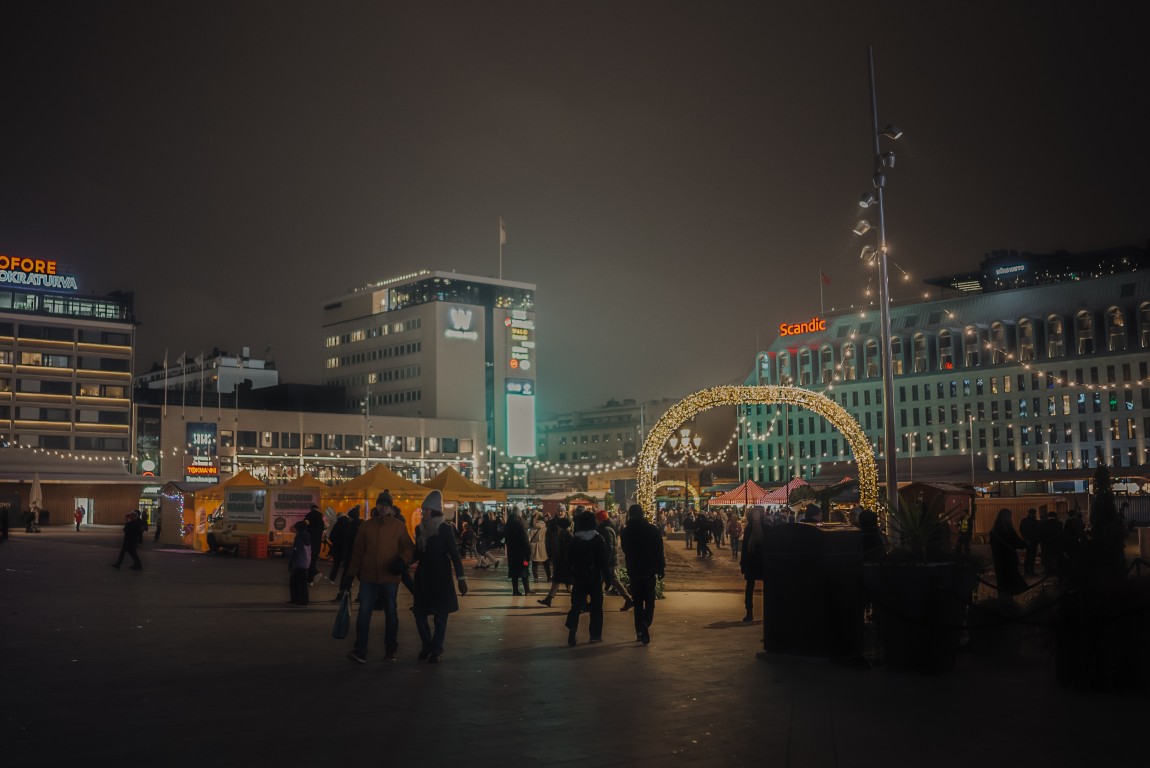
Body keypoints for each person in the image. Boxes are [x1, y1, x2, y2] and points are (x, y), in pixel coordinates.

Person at [345, 491, 415, 664]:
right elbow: (358, 552)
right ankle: (360, 650)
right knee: (364, 613)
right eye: (381, 504)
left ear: (391, 508)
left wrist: (402, 560)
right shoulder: (366, 526)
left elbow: (408, 547)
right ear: (377, 505)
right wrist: (350, 575)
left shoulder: (398, 526)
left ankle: (391, 648)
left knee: (391, 613)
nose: (383, 507)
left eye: (387, 504)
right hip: (369, 576)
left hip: (389, 578)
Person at [411, 490, 468, 663]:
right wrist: (404, 561)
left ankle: (436, 648)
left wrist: (461, 579)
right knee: (419, 614)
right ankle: (427, 645)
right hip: (423, 577)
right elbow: (417, 553)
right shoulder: (419, 529)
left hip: (441, 576)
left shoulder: (444, 529)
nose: (423, 513)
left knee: (440, 615)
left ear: (435, 510)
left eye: (426, 510)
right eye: (423, 510)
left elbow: (454, 554)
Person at [564, 509, 611, 646]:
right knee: (596, 607)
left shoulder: (575, 540)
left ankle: (572, 627)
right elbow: (603, 561)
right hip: (595, 578)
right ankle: (595, 635)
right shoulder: (598, 539)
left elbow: (569, 560)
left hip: (579, 578)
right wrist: (607, 578)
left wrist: (570, 576)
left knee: (576, 605)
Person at [620, 503, 665, 645]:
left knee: (638, 603)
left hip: (634, 571)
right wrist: (661, 568)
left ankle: (639, 632)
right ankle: (646, 622)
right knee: (650, 601)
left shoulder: (626, 531)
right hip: (649, 570)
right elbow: (659, 550)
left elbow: (625, 549)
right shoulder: (652, 529)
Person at [594, 508, 633, 610]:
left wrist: (605, 563)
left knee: (605, 582)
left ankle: (594, 603)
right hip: (609, 561)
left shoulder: (606, 530)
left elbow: (609, 547)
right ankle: (628, 600)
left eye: (597, 519)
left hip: (609, 562)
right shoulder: (607, 528)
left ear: (601, 520)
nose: (596, 521)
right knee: (612, 581)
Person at [989, 508, 1028, 596]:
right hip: (1010, 559)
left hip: (999, 561)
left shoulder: (993, 531)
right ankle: (1009, 603)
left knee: (1002, 581)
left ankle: (1002, 601)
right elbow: (1017, 543)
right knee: (1012, 581)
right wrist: (1026, 543)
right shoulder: (1008, 530)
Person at [537, 513, 573, 607]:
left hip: (563, 564)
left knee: (568, 582)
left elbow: (566, 552)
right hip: (560, 562)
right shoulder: (563, 534)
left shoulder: (566, 536)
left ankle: (582, 602)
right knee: (557, 581)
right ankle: (548, 599)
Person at [740, 506, 766, 621]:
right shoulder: (748, 528)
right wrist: (743, 562)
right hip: (751, 560)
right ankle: (749, 611)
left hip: (762, 561)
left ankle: (767, 612)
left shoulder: (766, 527)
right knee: (749, 587)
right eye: (754, 514)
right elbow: (745, 546)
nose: (756, 516)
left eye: (758, 514)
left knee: (768, 588)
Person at [332, 507, 363, 603]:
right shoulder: (360, 526)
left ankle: (343, 595)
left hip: (351, 556)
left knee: (347, 578)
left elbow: (349, 543)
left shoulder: (352, 527)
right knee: (360, 578)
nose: (348, 518)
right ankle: (361, 596)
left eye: (349, 516)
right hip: (357, 557)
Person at [504, 506, 532, 595]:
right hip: (522, 554)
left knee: (514, 572)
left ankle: (515, 590)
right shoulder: (519, 524)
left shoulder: (508, 524)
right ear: (518, 513)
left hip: (512, 553)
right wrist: (528, 553)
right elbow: (525, 539)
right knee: (525, 569)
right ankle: (527, 590)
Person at [327, 507, 355, 585]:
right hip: (347, 548)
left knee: (336, 564)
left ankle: (332, 579)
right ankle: (349, 581)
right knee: (347, 566)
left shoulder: (337, 524)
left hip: (337, 548)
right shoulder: (350, 524)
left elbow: (331, 536)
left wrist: (335, 542)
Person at [287, 520, 311, 605]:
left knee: (296, 582)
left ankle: (300, 600)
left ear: (298, 529)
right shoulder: (307, 536)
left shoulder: (299, 537)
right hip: (305, 562)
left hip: (299, 563)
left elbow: (296, 551)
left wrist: (291, 563)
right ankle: (301, 600)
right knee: (300, 582)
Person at [304, 504, 326, 586]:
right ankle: (311, 580)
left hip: (308, 543)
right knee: (313, 561)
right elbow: (322, 529)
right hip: (317, 543)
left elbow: (304, 528)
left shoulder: (308, 518)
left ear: (311, 509)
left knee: (307, 561)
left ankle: (312, 576)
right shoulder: (321, 519)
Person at [1019, 508, 1042, 576]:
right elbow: (1039, 531)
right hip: (1034, 541)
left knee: (1028, 555)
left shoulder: (1024, 521)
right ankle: (1031, 570)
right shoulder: (1036, 522)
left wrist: (1025, 539)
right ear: (1034, 513)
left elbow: (1021, 530)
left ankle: (1027, 570)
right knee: (1032, 556)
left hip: (1028, 540)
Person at [1040, 510, 1064, 577]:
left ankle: (1048, 571)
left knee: (1047, 559)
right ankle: (1056, 571)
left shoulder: (1044, 523)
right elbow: (1061, 534)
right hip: (1056, 544)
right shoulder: (1059, 523)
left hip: (1046, 544)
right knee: (1056, 558)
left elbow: (1041, 534)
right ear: (1055, 516)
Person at [529, 512, 548, 582]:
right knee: (545, 562)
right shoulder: (546, 528)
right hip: (543, 546)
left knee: (534, 564)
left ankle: (536, 578)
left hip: (534, 546)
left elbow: (528, 539)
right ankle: (549, 577)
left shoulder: (532, 529)